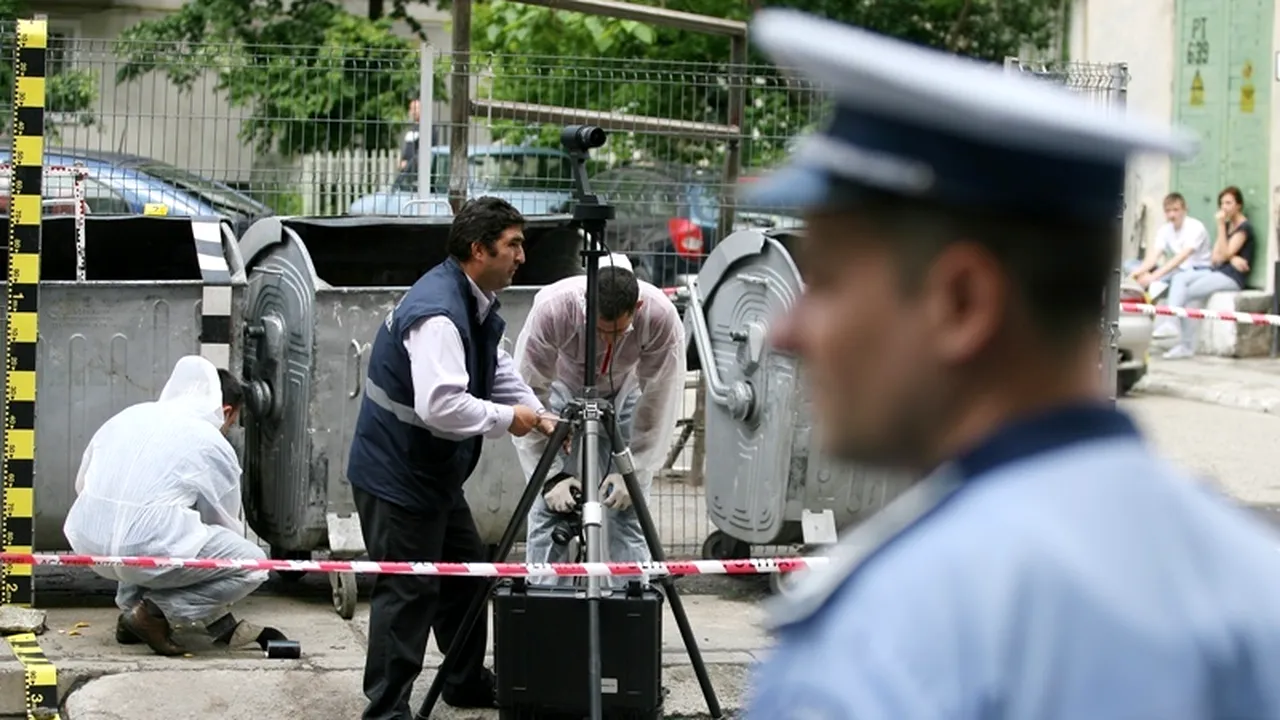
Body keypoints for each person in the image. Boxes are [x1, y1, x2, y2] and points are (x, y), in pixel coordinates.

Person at [738, 10, 1280, 719]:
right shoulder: (1249, 581)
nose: (786, 330)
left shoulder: (878, 648)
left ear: (962, 302)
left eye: (830, 281)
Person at [346, 196, 556, 719]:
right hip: (397, 475)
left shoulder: (472, 300)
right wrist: (512, 420)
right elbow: (441, 406)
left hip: (430, 475)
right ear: (478, 249)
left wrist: (534, 407)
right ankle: (388, 707)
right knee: (408, 591)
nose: (522, 257)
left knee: (467, 577)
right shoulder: (439, 311)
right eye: (513, 245)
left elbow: (495, 363)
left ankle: (463, 681)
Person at [63, 356, 277, 657]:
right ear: (225, 411)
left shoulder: (129, 416)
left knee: (154, 529)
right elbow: (224, 523)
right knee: (252, 565)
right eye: (231, 422)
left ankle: (130, 612)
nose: (228, 428)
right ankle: (153, 613)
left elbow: (82, 485)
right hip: (142, 549)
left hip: (88, 542)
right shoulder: (209, 440)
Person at [512, 253, 686, 586]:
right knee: (552, 509)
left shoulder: (660, 316)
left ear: (636, 309)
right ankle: (547, 606)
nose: (608, 340)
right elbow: (528, 393)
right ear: (584, 308)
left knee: (628, 508)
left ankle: (630, 601)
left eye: (619, 332)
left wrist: (633, 470)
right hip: (562, 387)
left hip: (625, 388)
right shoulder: (554, 308)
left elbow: (659, 403)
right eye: (601, 331)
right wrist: (550, 476)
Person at [1162, 185, 1256, 360]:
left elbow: (1225, 253)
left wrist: (1222, 233)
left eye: (1228, 203)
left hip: (1232, 277)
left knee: (1187, 294)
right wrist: (1232, 257)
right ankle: (1170, 323)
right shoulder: (1227, 226)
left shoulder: (1244, 228)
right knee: (1180, 278)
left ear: (1239, 205)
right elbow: (1215, 257)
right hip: (1219, 270)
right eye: (1222, 204)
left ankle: (1186, 344)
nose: (1224, 208)